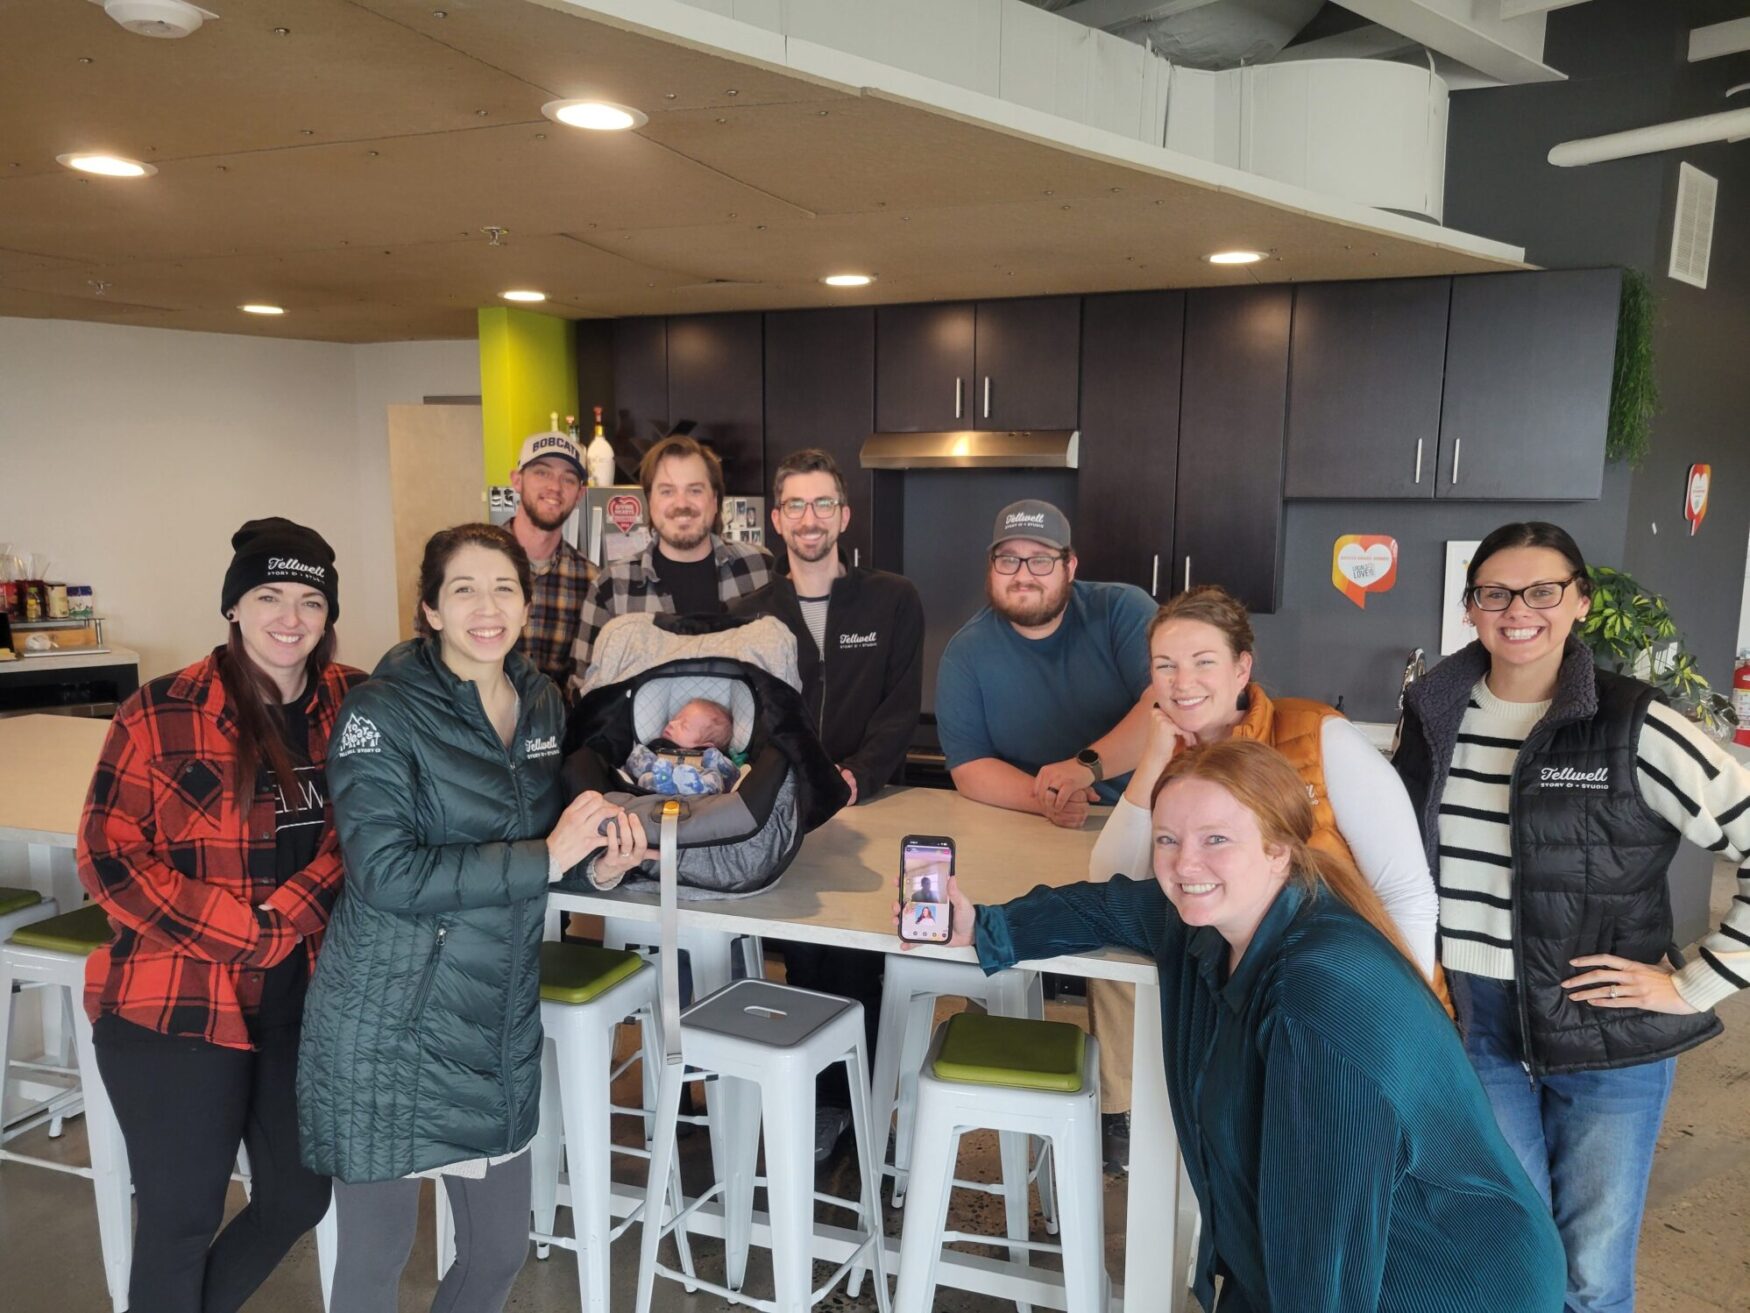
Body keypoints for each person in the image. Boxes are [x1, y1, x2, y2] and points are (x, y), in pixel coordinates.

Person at [932, 739, 1567, 1313]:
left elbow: (1323, 1252)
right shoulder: (1205, 917)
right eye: (1167, 839)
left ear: (1279, 850)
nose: (1185, 864)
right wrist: (986, 927)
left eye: (1216, 839)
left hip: (1447, 1280)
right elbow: (1104, 906)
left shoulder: (1317, 998)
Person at [1394, 521, 1750, 1313]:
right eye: (1495, 593)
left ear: (1580, 601)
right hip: (1473, 1022)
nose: (1518, 609)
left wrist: (1699, 982)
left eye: (1542, 590)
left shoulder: (1635, 724)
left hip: (1604, 1030)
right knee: (1511, 1246)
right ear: (1472, 608)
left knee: (1590, 1272)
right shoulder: (1433, 714)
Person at [298, 523, 649, 1313]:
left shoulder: (539, 701)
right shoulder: (380, 713)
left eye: (503, 588)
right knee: (377, 1257)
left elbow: (544, 847)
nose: (485, 607)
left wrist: (601, 866)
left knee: (497, 1252)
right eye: (463, 589)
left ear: (527, 602)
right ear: (429, 608)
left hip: (491, 1019)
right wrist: (549, 858)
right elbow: (384, 873)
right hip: (384, 1021)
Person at [76, 518, 363, 1313]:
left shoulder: (356, 703)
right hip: (174, 1001)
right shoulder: (161, 710)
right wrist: (250, 933)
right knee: (180, 1217)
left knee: (297, 1198)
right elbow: (108, 856)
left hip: (300, 1003)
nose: (290, 617)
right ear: (234, 605)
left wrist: (288, 917)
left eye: (310, 600)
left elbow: (372, 833)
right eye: (270, 594)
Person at [934, 499, 1156, 1171]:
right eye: (1008, 559)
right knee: (984, 926)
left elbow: (1164, 703)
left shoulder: (1122, 611)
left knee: (1116, 950)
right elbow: (969, 769)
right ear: (992, 567)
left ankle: (1121, 1106)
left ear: (1069, 566)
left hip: (1134, 816)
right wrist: (1041, 794)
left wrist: (1084, 767)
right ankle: (991, 1081)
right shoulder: (967, 651)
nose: (1022, 572)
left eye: (1039, 560)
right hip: (1027, 823)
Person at [728, 447, 924, 1160]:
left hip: (870, 804)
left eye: (823, 505)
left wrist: (855, 776)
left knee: (870, 958)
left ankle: (869, 1103)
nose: (810, 519)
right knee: (807, 957)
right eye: (795, 506)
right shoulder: (750, 613)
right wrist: (804, 783)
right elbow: (751, 715)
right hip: (793, 810)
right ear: (777, 520)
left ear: (843, 515)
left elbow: (900, 708)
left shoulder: (893, 598)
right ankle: (819, 1100)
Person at [1092, 584, 1439, 979]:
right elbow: (1112, 884)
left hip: (1344, 977)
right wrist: (1152, 758)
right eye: (1165, 665)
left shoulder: (1320, 737)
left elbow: (1405, 893)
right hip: (1229, 989)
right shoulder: (1167, 757)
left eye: (1203, 662)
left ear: (1241, 668)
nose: (1182, 683)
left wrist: (1407, 1006)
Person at [569, 433, 770, 685]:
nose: (681, 503)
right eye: (667, 491)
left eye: (695, 490)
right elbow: (584, 691)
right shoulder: (611, 589)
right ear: (649, 502)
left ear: (715, 501)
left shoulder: (760, 568)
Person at [506, 427, 593, 695]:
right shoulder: (466, 562)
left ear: (580, 494)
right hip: (470, 731)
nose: (554, 487)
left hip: (555, 732)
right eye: (542, 473)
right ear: (517, 480)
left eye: (568, 479)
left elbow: (586, 679)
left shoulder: (591, 582)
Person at [625, 696, 739, 796]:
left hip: (701, 798)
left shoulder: (709, 757)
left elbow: (730, 775)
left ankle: (693, 785)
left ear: (706, 745)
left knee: (716, 779)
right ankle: (665, 783)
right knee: (644, 772)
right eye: (674, 719)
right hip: (656, 790)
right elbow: (635, 765)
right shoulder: (659, 746)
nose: (671, 724)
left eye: (684, 726)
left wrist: (719, 763)